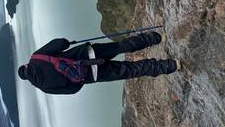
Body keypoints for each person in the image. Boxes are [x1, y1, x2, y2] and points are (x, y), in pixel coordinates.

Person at [17, 32, 181, 95]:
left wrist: (81, 78)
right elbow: (59, 43)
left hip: (92, 75)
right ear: (25, 66)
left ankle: (171, 65)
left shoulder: (43, 87)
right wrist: (67, 43)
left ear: (28, 79)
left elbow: (71, 90)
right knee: (121, 46)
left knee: (131, 70)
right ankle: (156, 38)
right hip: (88, 54)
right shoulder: (36, 58)